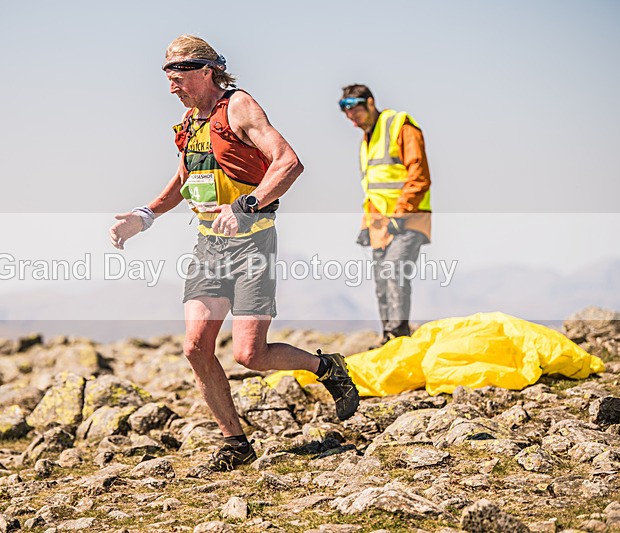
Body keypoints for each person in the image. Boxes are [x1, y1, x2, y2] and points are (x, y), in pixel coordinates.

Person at [109, 35, 360, 471]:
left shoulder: (239, 107)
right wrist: (144, 216)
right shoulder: (190, 121)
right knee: (195, 347)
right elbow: (185, 180)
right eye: (167, 75)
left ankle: (327, 368)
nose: (171, 84)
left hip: (253, 246)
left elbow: (288, 162)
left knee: (250, 355)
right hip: (209, 247)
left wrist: (246, 206)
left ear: (208, 71)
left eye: (179, 74)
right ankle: (235, 444)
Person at [339, 84, 432, 346]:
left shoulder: (399, 126)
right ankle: (388, 339)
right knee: (381, 282)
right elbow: (373, 190)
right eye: (347, 113)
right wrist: (366, 224)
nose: (352, 118)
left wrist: (400, 214)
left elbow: (419, 175)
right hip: (380, 224)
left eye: (355, 111)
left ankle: (398, 336)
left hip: (409, 218)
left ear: (370, 103)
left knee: (394, 272)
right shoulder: (367, 140)